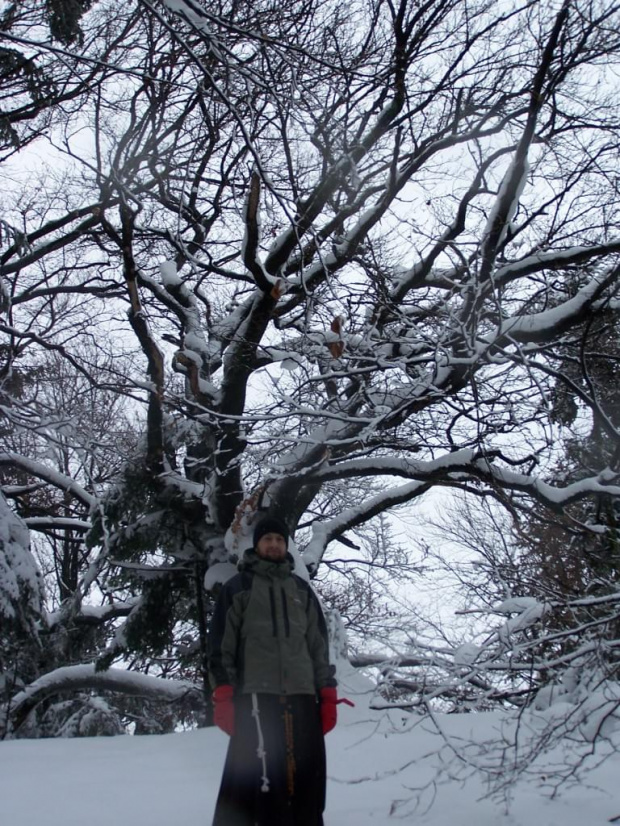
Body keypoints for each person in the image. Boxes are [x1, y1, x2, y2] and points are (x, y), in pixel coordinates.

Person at [208, 515, 348, 826]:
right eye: (268, 539)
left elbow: (318, 646)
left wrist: (326, 694)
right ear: (256, 544)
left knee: (306, 784)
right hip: (256, 700)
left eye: (280, 540)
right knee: (253, 783)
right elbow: (220, 647)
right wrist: (223, 695)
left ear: (286, 546)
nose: (274, 545)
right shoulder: (237, 588)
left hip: (302, 698)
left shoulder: (301, 590)